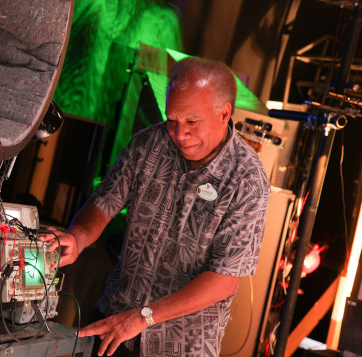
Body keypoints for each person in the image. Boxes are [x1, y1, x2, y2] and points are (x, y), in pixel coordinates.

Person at [41, 57, 270, 357]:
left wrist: (143, 317)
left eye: (191, 122)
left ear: (224, 113)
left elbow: (224, 281)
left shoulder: (247, 180)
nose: (179, 133)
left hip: (180, 348)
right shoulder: (148, 144)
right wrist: (78, 238)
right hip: (114, 325)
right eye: (172, 119)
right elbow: (103, 203)